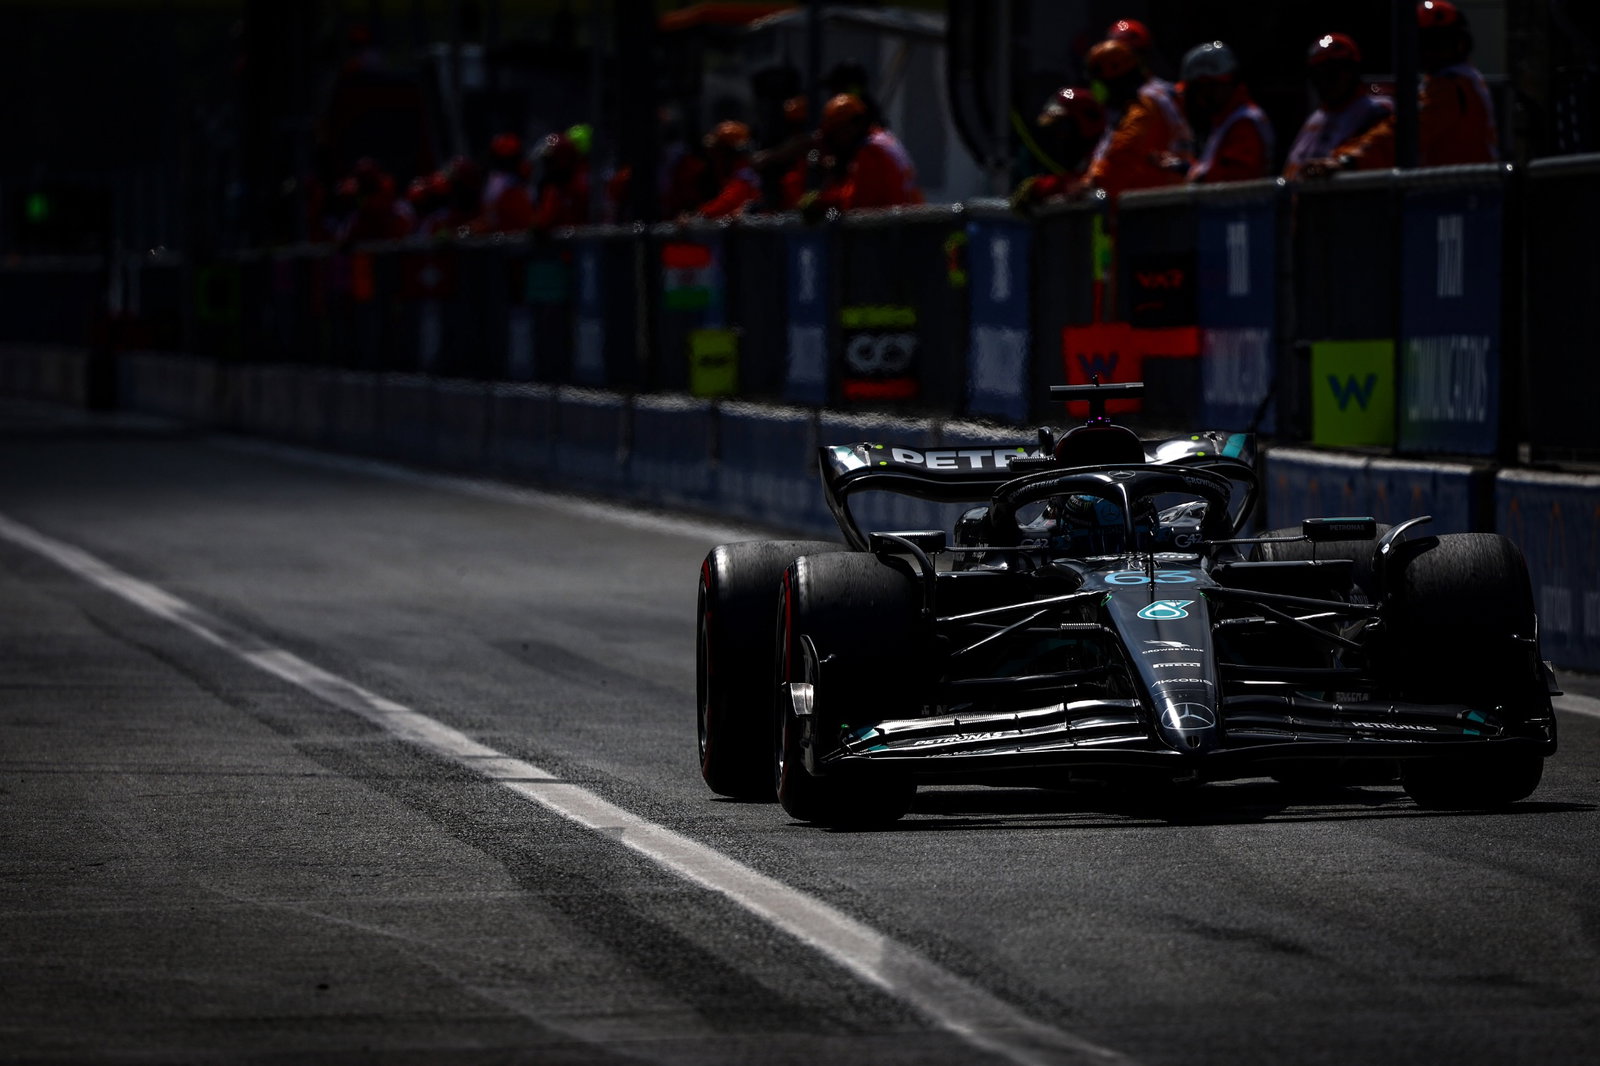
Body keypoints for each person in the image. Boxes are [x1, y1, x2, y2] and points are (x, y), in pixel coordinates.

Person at [1302, 1, 1497, 174]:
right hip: (1454, 193)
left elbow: (1405, 133)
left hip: (1458, 197)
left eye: (1441, 42)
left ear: (1461, 44)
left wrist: (1348, 160)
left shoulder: (1453, 85)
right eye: (1426, 43)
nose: (1431, 52)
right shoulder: (1455, 80)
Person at [1073, 38, 1191, 203]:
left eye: (1098, 83)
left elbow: (1123, 156)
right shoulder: (1157, 94)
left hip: (1154, 204)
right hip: (1167, 196)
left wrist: (1090, 186)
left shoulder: (1143, 106)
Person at [1283, 33, 1394, 180]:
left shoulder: (1374, 111)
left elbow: (1376, 151)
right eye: (1317, 75)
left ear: (1352, 71)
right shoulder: (1317, 117)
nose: (1324, 83)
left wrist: (1342, 163)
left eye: (1331, 74)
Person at [804, 93, 922, 214]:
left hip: (896, 226)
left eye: (834, 134)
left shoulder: (870, 151)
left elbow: (856, 205)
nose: (833, 143)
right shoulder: (882, 138)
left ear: (851, 127)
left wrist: (822, 206)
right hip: (903, 220)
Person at [1181, 41, 1274, 184]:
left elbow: (1236, 179)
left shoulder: (1244, 121)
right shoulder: (1225, 119)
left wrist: (1190, 172)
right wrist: (1188, 166)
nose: (1201, 97)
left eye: (1206, 87)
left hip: (1243, 206)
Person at [1010, 87, 1105, 211]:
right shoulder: (1081, 163)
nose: (1058, 137)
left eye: (1062, 128)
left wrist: (1043, 187)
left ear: (1085, 123)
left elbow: (1100, 192)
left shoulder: (1107, 154)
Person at [691, 121, 762, 219]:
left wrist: (697, 217)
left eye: (717, 152)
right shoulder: (737, 173)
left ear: (729, 154)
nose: (714, 158)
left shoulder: (743, 176)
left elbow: (726, 204)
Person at [531, 131, 591, 231]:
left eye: (548, 161)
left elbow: (543, 222)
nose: (546, 167)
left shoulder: (556, 190)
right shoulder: (578, 182)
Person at [479, 133, 535, 232]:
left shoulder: (523, 176)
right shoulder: (496, 182)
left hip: (526, 232)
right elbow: (490, 216)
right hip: (504, 235)